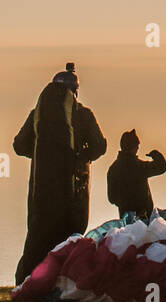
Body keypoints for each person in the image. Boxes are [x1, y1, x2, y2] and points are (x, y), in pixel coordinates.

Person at [13, 63, 107, 285]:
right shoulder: (83, 115)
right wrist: (82, 156)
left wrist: (41, 155)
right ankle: (65, 284)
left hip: (40, 190)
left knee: (38, 237)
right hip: (74, 191)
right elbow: (99, 146)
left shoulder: (37, 115)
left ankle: (27, 283)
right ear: (75, 90)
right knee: (69, 239)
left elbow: (19, 146)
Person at [107, 130, 166, 219]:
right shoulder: (138, 167)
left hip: (126, 219)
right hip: (143, 216)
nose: (138, 148)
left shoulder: (113, 169)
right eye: (137, 146)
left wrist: (124, 203)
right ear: (133, 147)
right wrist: (156, 154)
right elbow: (162, 167)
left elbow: (111, 198)